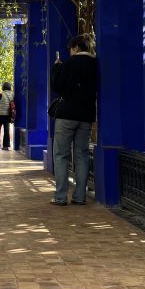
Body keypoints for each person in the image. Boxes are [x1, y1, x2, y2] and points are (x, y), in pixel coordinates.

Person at [50, 34, 97, 205]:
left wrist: (56, 69)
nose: (70, 52)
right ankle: (80, 196)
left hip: (67, 115)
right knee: (82, 155)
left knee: (61, 155)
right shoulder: (95, 63)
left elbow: (58, 87)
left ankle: (60, 197)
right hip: (86, 116)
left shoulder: (69, 63)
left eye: (70, 49)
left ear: (76, 48)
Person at [0, 80, 14, 150]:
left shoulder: (0, 95)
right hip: (8, 115)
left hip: (0, 115)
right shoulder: (12, 95)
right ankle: (6, 146)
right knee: (6, 130)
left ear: (3, 87)